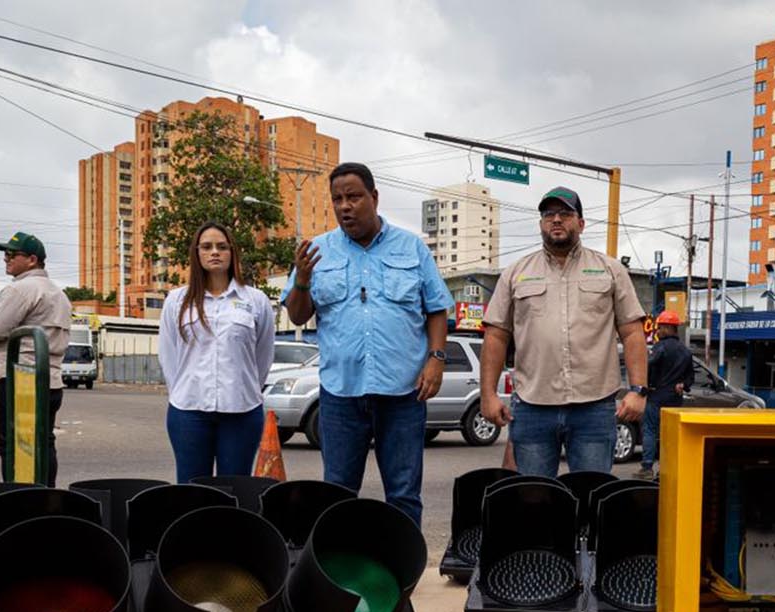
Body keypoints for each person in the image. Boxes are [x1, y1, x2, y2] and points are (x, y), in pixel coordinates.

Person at [284, 162, 452, 526]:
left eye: (354, 197)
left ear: (374, 197)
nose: (345, 206)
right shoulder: (316, 252)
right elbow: (298, 316)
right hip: (340, 396)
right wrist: (301, 280)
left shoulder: (411, 248)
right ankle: (339, 573)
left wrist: (436, 359)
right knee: (338, 492)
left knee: (404, 492)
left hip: (404, 395)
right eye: (337, 199)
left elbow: (436, 309)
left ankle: (402, 571)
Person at [479, 187, 647, 478]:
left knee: (591, 497)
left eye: (565, 214)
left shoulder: (610, 270)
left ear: (580, 223)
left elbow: (632, 332)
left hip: (594, 408)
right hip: (533, 407)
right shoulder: (516, 272)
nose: (556, 220)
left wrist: (638, 391)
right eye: (549, 214)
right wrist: (488, 394)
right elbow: (496, 336)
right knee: (533, 501)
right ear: (541, 223)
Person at [157, 223, 276, 484]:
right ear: (196, 253)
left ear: (232, 253)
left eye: (222, 247)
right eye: (207, 247)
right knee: (191, 492)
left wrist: (246, 389)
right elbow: (168, 355)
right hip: (188, 412)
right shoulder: (177, 301)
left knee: (234, 490)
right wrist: (180, 392)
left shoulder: (255, 301)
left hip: (242, 412)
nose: (215, 252)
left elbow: (263, 355)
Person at [0, 232, 71, 486]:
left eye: (11, 254)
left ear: (31, 259)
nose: (5, 259)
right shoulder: (59, 294)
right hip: (50, 380)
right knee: (43, 442)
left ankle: (18, 500)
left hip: (18, 380)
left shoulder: (20, 289)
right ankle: (45, 496)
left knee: (10, 445)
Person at [637, 309, 693, 480]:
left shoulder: (659, 347)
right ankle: (666, 469)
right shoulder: (685, 351)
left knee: (650, 431)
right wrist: (683, 385)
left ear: (669, 328)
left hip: (656, 396)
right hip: (675, 399)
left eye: (660, 327)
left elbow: (650, 366)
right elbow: (690, 377)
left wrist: (644, 390)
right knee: (669, 434)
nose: (658, 331)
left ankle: (647, 468)